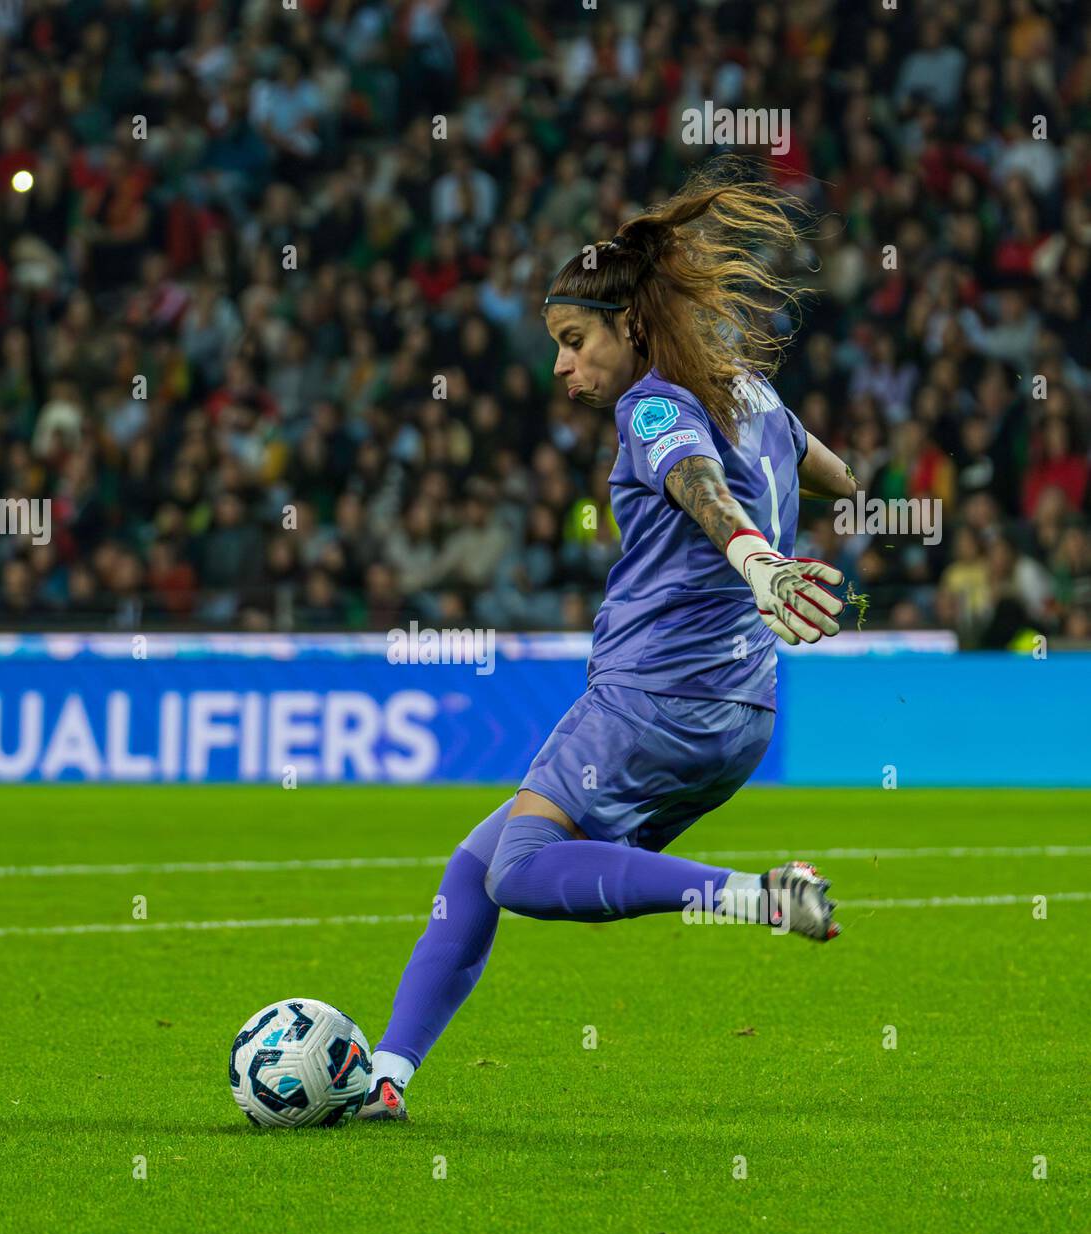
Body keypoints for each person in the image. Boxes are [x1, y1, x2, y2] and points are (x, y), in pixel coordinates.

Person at [360, 169, 859, 1121]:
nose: (563, 366)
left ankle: (754, 898)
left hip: (651, 700)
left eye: (573, 341)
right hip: (741, 718)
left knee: (517, 870)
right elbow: (842, 473)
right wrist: (780, 488)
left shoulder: (655, 405)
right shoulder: (753, 395)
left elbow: (695, 482)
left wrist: (754, 558)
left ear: (632, 325)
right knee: (476, 866)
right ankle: (390, 1074)